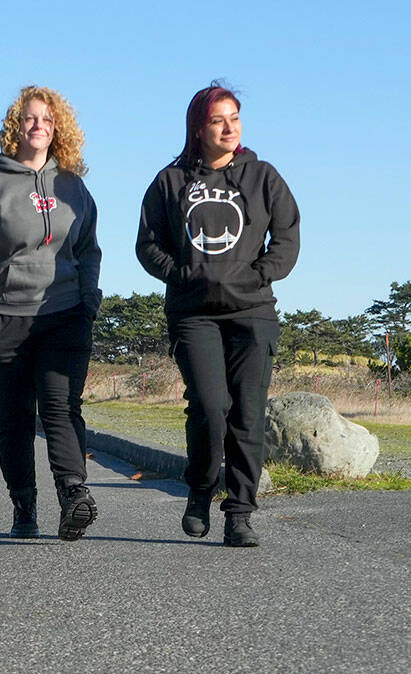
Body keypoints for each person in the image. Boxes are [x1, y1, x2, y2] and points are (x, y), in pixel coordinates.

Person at [135, 81, 300, 547]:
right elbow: (147, 245)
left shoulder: (263, 176)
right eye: (217, 120)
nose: (229, 127)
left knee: (247, 414)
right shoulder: (170, 182)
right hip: (194, 315)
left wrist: (257, 277)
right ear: (198, 128)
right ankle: (200, 488)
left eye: (234, 118)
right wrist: (183, 274)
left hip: (253, 313)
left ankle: (240, 513)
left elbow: (287, 237)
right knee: (210, 408)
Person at [0, 85, 102, 540]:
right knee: (15, 417)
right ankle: (24, 506)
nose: (38, 126)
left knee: (60, 406)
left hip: (63, 314)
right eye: (30, 119)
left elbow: (89, 248)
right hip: (4, 319)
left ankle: (73, 495)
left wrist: (88, 300)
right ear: (15, 127)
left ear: (57, 129)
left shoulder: (73, 188)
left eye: (47, 119)